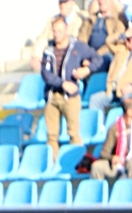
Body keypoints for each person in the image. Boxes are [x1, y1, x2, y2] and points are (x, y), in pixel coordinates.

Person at [42, 15, 97, 158]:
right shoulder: (48, 51)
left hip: (70, 97)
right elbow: (46, 74)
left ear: (66, 29)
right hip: (52, 96)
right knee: (52, 136)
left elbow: (97, 59)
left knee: (73, 133)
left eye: (60, 31)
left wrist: (86, 70)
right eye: (54, 31)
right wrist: (62, 83)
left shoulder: (77, 47)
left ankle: (75, 162)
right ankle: (52, 164)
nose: (57, 34)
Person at [90, 25, 132, 111]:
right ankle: (98, 123)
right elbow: (108, 41)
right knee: (95, 99)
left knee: (125, 98)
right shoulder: (122, 49)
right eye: (129, 38)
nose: (131, 40)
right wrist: (122, 35)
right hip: (113, 89)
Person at [92, 96, 132, 181]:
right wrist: (112, 158)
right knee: (97, 166)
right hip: (120, 161)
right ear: (129, 112)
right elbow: (104, 153)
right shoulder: (114, 128)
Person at [33, 0, 91, 69]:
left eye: (65, 2)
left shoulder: (82, 18)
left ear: (72, 2)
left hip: (75, 58)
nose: (62, 5)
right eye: (60, 2)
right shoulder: (54, 19)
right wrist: (36, 55)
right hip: (55, 56)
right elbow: (43, 37)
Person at [82, 0, 128, 72]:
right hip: (89, 52)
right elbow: (82, 37)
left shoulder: (118, 18)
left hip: (107, 52)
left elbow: (116, 40)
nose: (102, 1)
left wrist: (95, 56)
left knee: (105, 60)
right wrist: (84, 54)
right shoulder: (91, 18)